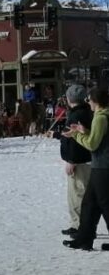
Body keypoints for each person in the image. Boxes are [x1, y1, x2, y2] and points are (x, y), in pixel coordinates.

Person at [63, 87, 109, 251]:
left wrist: (76, 135)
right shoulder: (102, 115)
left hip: (103, 167)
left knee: (104, 204)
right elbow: (99, 137)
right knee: (90, 204)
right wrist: (85, 130)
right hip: (100, 166)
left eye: (89, 99)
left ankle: (84, 238)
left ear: (96, 101)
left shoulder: (101, 118)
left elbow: (92, 144)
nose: (88, 101)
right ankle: (84, 239)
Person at [55, 84, 92, 238]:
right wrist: (57, 134)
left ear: (70, 98)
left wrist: (72, 161)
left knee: (77, 195)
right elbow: (69, 135)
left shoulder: (76, 115)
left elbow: (75, 141)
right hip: (87, 160)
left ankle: (79, 226)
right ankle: (81, 225)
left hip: (79, 162)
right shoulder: (86, 112)